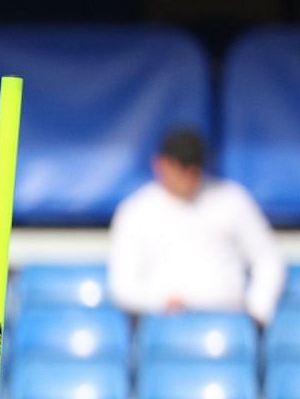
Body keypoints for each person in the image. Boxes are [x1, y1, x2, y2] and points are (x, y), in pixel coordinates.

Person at [107, 128, 287, 326]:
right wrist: (159, 300)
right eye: (180, 168)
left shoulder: (231, 199)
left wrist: (257, 309)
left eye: (194, 168)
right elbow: (122, 285)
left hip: (229, 326)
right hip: (163, 329)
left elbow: (268, 259)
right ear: (160, 164)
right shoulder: (135, 210)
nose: (187, 177)